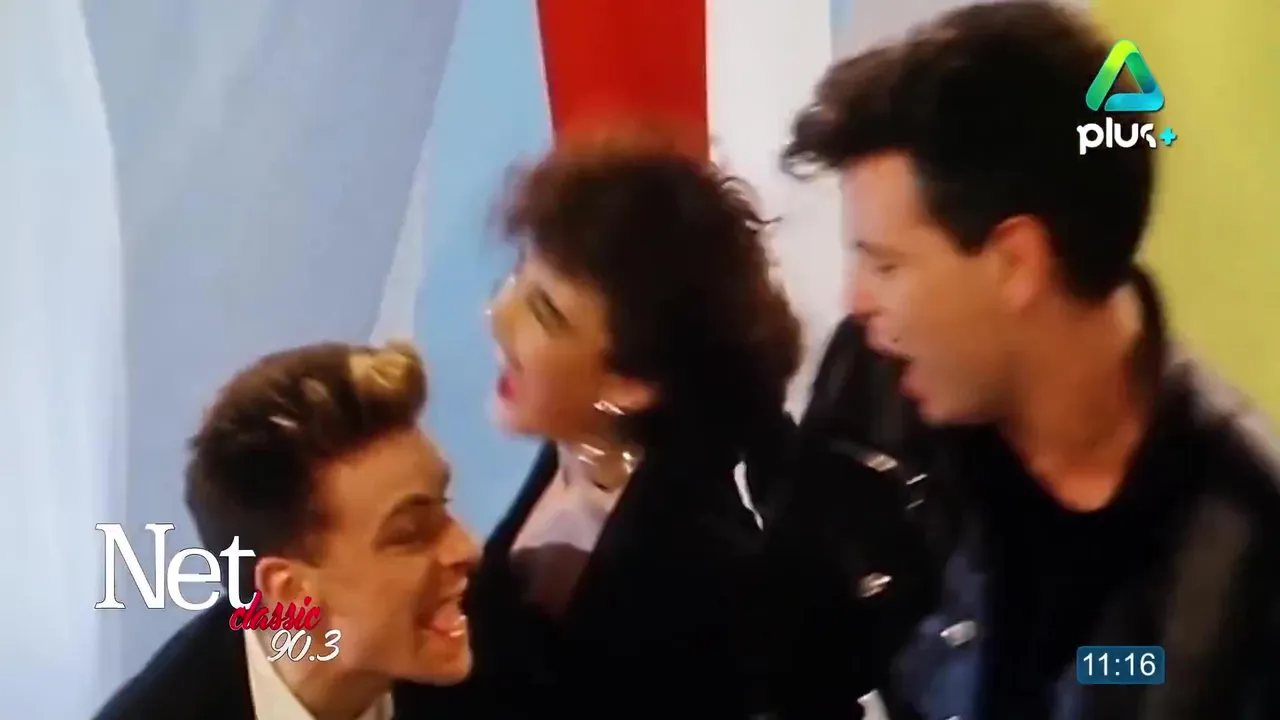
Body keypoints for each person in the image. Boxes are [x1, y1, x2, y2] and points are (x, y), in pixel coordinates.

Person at [767, 2, 1280, 718]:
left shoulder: (1243, 541)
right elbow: (795, 667)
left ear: (1017, 262)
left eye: (886, 265)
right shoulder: (869, 391)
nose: (857, 302)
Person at [429, 130, 802, 718]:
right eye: (517, 279)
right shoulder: (581, 450)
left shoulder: (695, 584)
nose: (496, 314)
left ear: (631, 382)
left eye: (545, 312)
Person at [95, 341, 481, 720]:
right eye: (412, 532)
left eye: (444, 503)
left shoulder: (497, 651)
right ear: (291, 593)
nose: (468, 549)